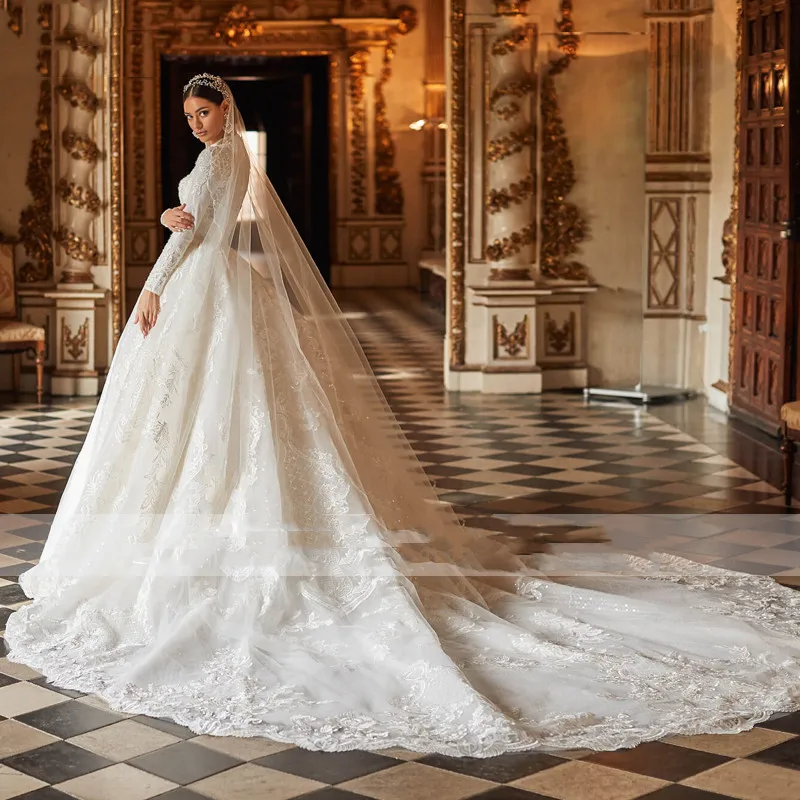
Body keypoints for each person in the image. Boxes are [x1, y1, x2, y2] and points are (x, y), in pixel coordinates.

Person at [5, 74, 800, 758]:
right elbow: (211, 226)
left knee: (206, 420)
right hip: (220, 291)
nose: (196, 123)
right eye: (188, 116)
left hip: (201, 287)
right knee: (224, 418)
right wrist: (178, 232)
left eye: (203, 112)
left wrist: (154, 276)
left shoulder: (216, 163)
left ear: (225, 111)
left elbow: (200, 235)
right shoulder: (228, 157)